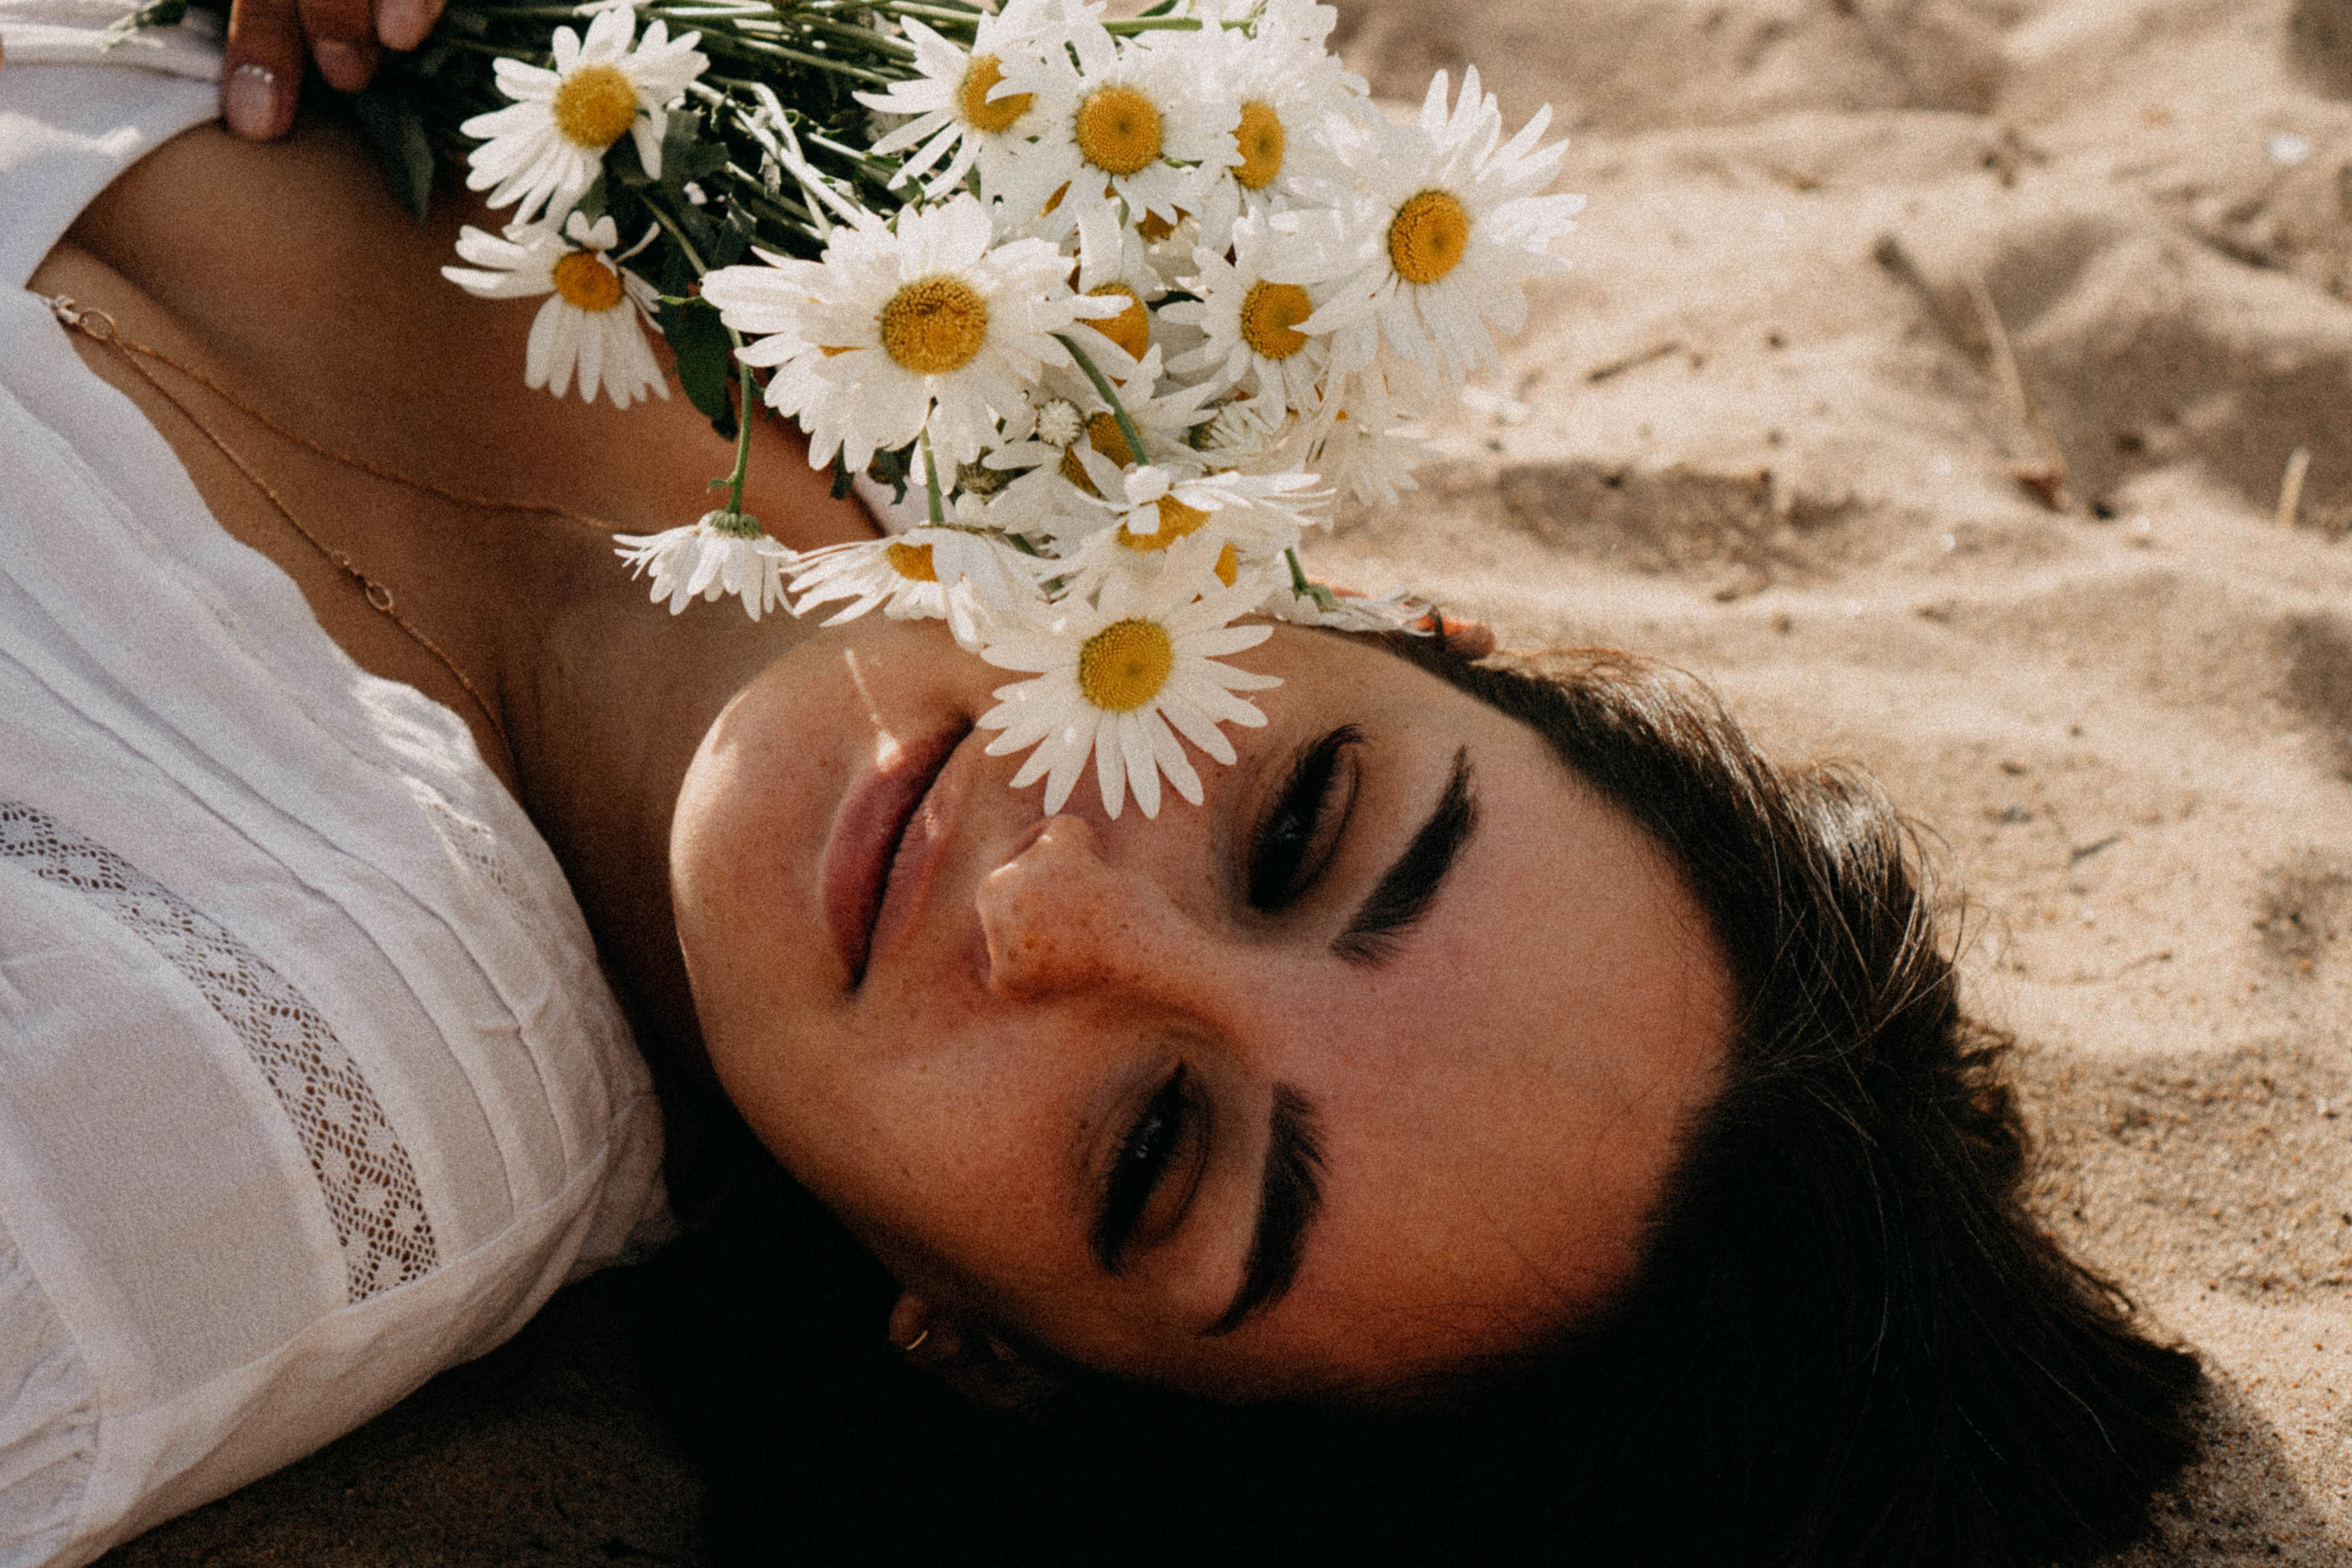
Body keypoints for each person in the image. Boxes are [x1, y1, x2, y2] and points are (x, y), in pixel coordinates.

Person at [0, 6, 2200, 1564]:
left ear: (978, 1351)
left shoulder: (207, 1144)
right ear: (1411, 627)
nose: (1056, 919)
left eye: (1149, 1151)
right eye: (1295, 830)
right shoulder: (975, 155)